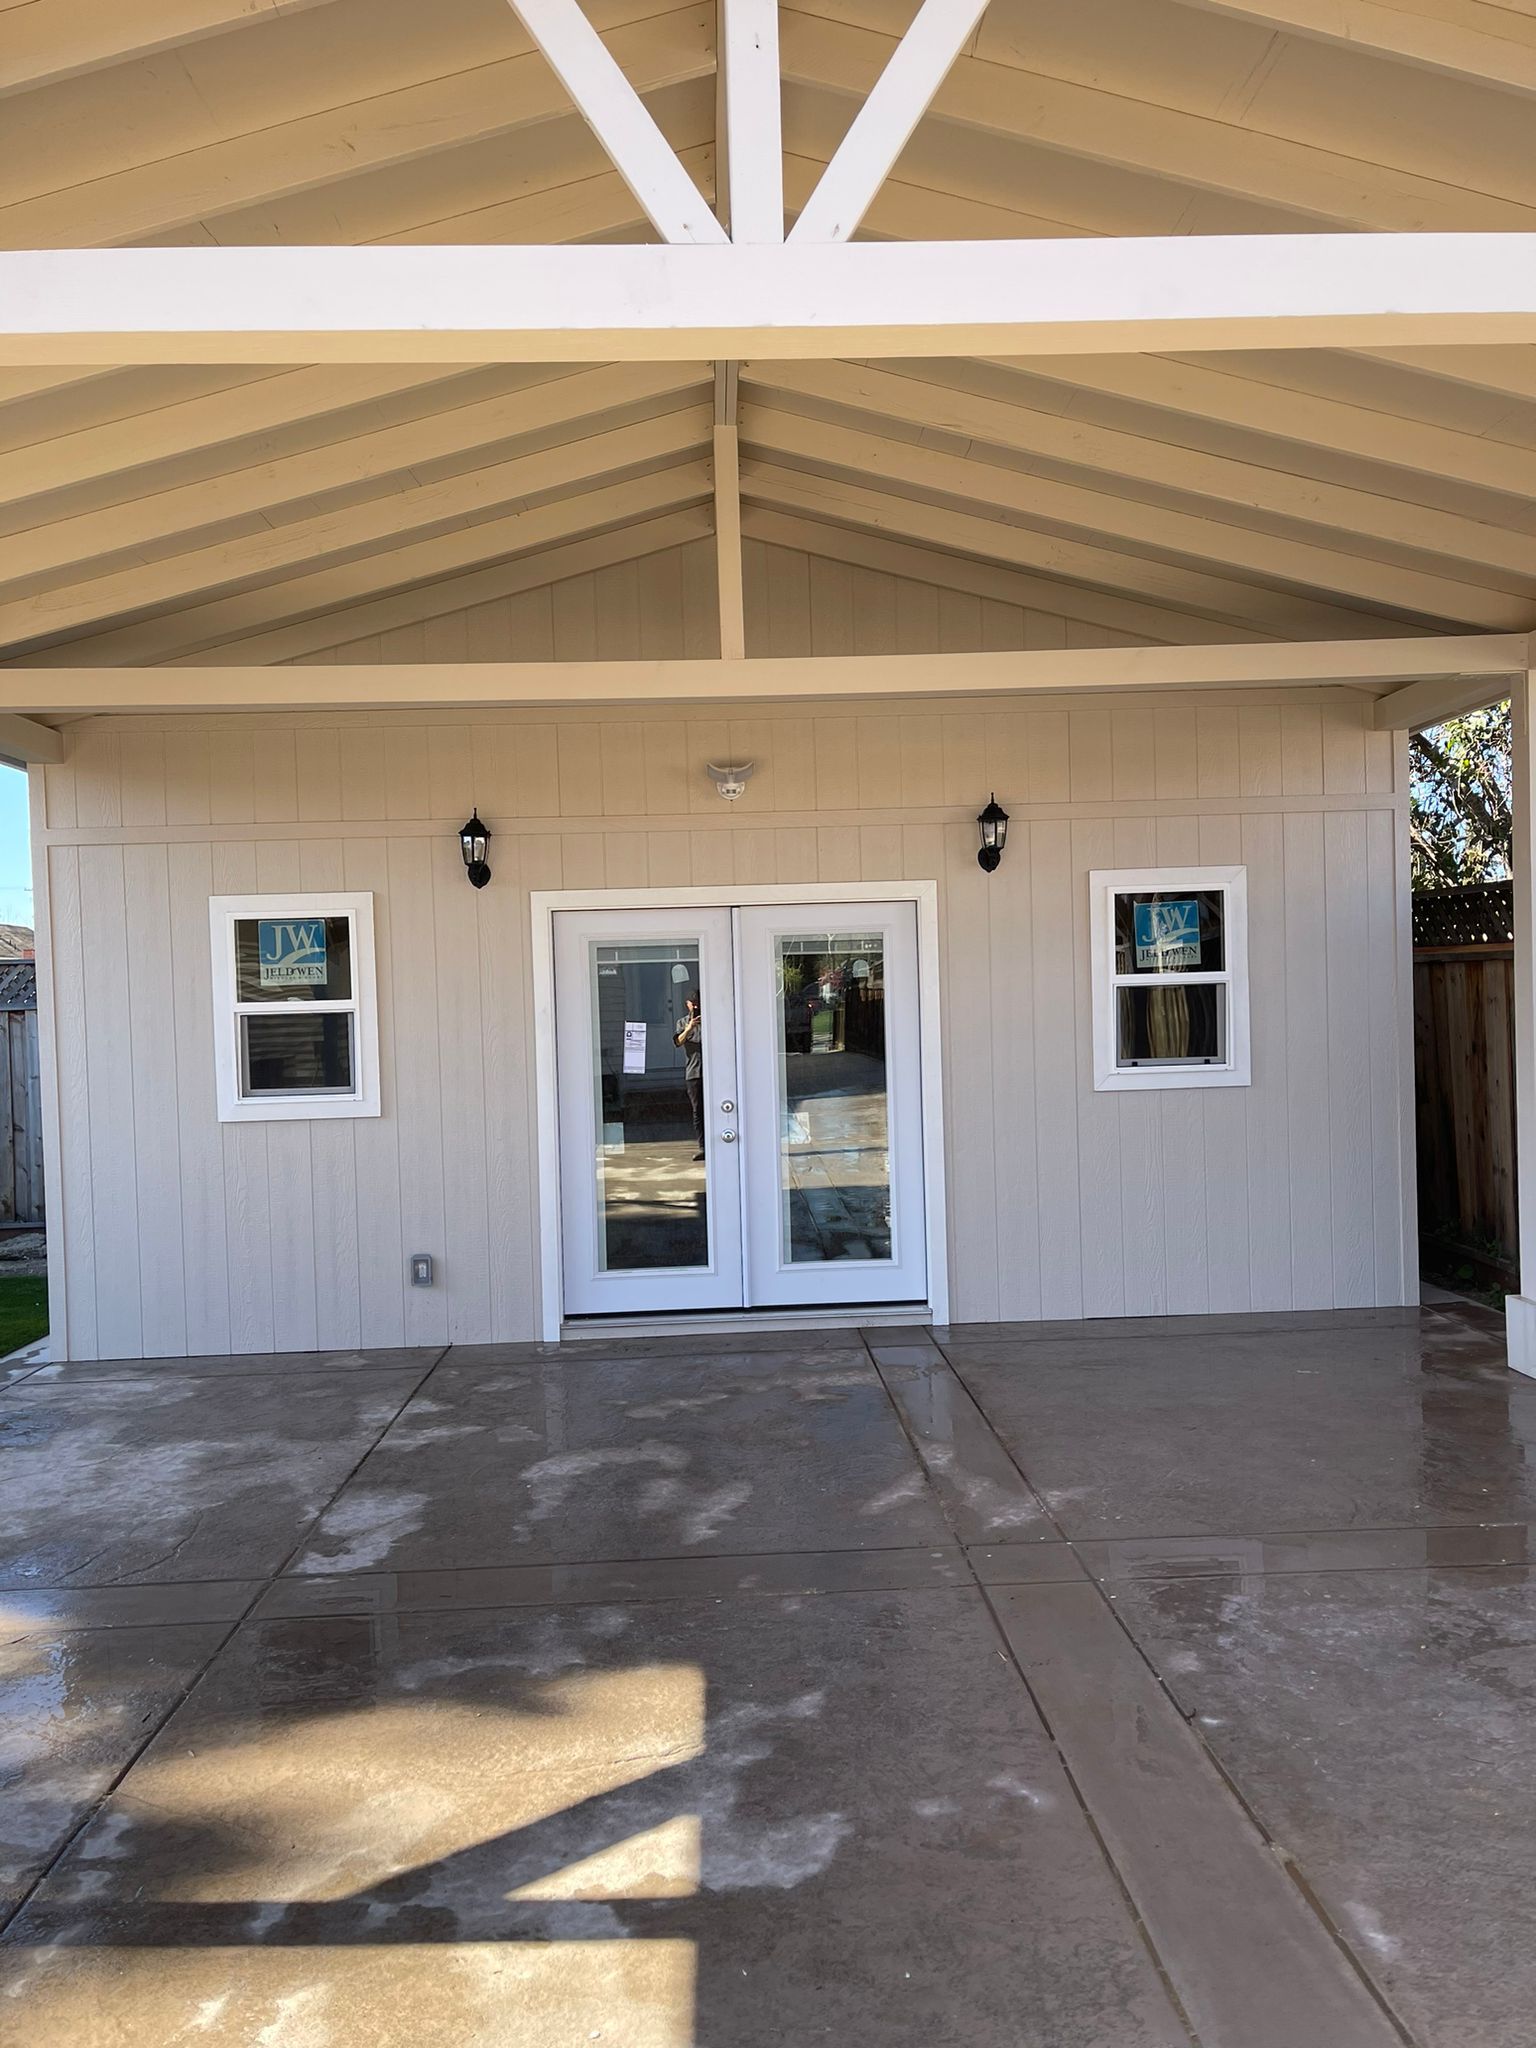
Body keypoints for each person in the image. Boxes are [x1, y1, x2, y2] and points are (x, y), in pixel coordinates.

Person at [674, 992, 705, 1160]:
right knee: (697, 1110)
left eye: (697, 1003)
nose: (695, 1006)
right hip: (694, 1072)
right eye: (692, 1003)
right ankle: (703, 1146)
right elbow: (678, 1042)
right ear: (687, 1004)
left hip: (712, 1071)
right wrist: (689, 1027)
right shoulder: (682, 1022)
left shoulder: (712, 1020)